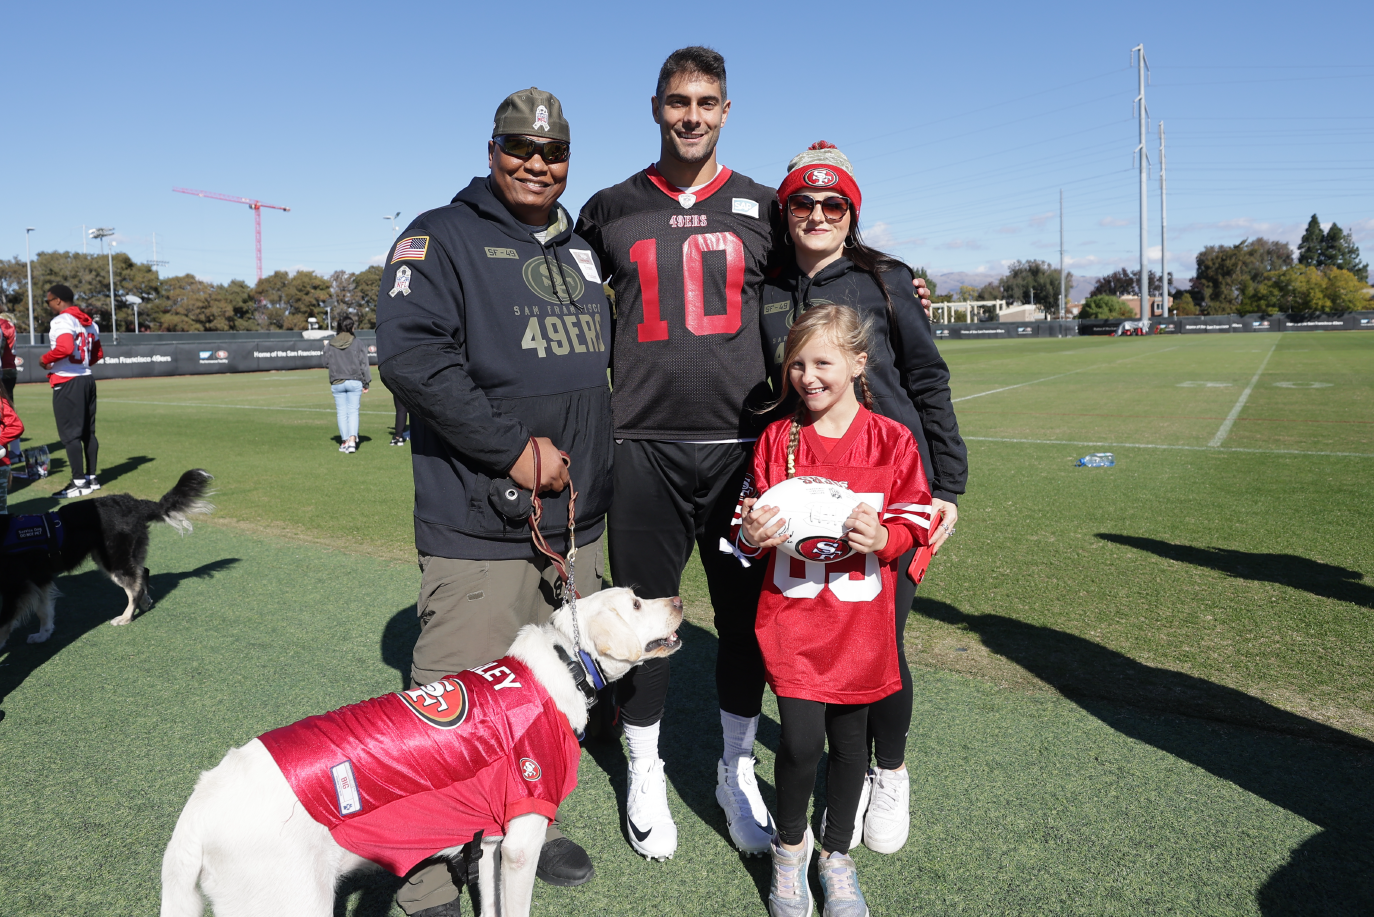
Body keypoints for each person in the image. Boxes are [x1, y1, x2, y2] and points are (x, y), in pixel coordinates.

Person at [575, 47, 934, 860]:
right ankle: (643, 768)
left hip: (742, 448)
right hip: (644, 447)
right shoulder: (607, 207)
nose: (691, 115)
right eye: (677, 101)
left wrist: (893, 274)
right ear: (656, 106)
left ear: (726, 110)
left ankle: (733, 770)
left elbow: (825, 258)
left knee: (744, 626)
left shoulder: (766, 207)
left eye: (706, 101)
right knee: (645, 616)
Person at [376, 87, 612, 917]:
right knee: (451, 707)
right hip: (479, 520)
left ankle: (525, 828)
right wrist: (513, 451)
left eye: (552, 153)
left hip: (574, 526)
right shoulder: (440, 235)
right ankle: (423, 871)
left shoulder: (579, 247)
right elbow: (410, 358)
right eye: (520, 147)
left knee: (550, 700)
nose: (536, 164)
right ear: (491, 148)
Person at [759, 142, 967, 856]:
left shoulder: (886, 281)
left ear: (852, 215)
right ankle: (828, 772)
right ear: (784, 213)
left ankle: (891, 769)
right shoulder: (768, 283)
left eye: (833, 203)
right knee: (824, 635)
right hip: (808, 488)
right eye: (802, 203)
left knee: (884, 641)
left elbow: (930, 382)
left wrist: (949, 487)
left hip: (891, 486)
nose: (817, 214)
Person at [734, 303, 932, 917]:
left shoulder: (891, 439)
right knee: (797, 743)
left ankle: (836, 854)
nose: (808, 375)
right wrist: (754, 536)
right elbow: (743, 525)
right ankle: (790, 851)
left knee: (852, 746)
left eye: (823, 361)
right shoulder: (777, 439)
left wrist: (888, 539)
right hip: (794, 619)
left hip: (861, 624)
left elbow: (914, 516)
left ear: (857, 362)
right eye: (797, 363)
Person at [40, 285, 103, 499]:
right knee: (88, 432)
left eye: (48, 301)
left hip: (68, 381)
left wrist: (45, 360)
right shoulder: (90, 322)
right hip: (86, 378)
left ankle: (78, 483)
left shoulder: (61, 320)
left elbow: (65, 348)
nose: (48, 304)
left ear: (58, 300)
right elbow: (97, 354)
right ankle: (91, 478)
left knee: (70, 436)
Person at [321, 314, 370, 453]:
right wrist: (366, 383)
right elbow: (364, 364)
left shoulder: (331, 343)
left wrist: (326, 348)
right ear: (351, 327)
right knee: (353, 411)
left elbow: (325, 363)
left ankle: (345, 441)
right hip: (354, 380)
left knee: (342, 412)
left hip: (337, 381)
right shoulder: (358, 343)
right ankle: (352, 441)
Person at [0, 312, 20, 464]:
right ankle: (14, 450)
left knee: (5, 413)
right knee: (8, 410)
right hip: (10, 368)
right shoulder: (9, 325)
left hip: (4, 369)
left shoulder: (3, 325)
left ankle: (12, 451)